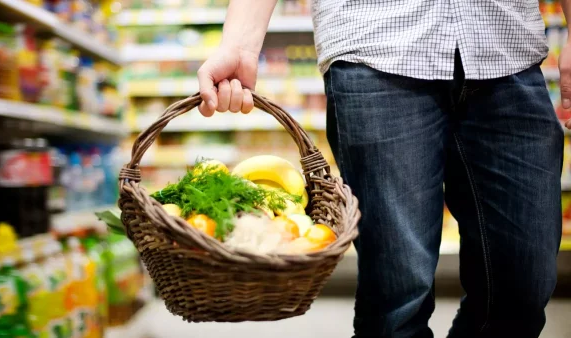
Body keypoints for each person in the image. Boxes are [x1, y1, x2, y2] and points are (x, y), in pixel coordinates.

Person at [197, 1, 570, 337]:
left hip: (507, 46)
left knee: (524, 284)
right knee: (396, 301)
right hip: (377, 48)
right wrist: (240, 44)